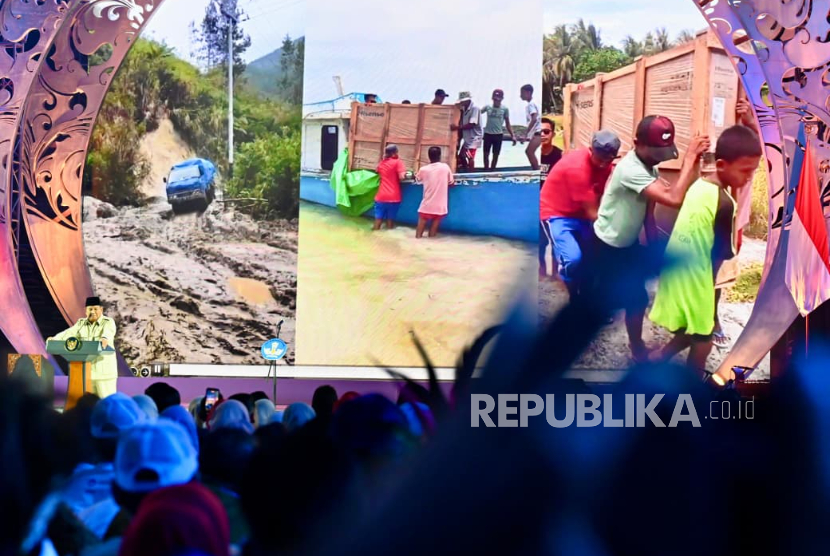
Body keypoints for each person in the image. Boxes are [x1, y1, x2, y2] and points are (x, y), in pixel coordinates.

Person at [589, 116, 709, 362]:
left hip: (627, 244)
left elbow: (648, 212)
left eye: (662, 151)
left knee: (636, 298)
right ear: (636, 143)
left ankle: (636, 345)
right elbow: (674, 198)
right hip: (607, 243)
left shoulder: (648, 166)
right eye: (654, 150)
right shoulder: (629, 169)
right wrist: (688, 159)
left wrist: (654, 247)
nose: (658, 156)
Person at [649, 125, 762, 373]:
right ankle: (692, 388)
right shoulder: (724, 203)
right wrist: (708, 292)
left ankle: (660, 357)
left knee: (693, 328)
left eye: (753, 172)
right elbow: (720, 253)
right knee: (704, 339)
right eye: (745, 171)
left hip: (675, 270)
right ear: (721, 165)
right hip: (697, 278)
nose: (748, 178)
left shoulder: (698, 187)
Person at [540, 130, 620, 300]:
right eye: (599, 160)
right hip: (555, 213)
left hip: (580, 213)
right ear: (591, 150)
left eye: (608, 161)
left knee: (591, 258)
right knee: (574, 259)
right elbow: (593, 214)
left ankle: (586, 298)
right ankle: (572, 293)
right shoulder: (577, 169)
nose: (603, 165)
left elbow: (598, 198)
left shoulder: (606, 164)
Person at [49, 296, 118, 398]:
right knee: (89, 405)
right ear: (85, 311)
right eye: (90, 309)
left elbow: (108, 331)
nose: (93, 312)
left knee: (108, 403)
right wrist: (54, 339)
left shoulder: (108, 322)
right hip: (88, 375)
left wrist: (104, 338)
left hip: (105, 374)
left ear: (101, 310)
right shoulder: (81, 323)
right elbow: (69, 333)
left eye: (95, 309)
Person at [538, 117, 564, 279]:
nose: (542, 134)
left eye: (546, 131)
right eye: (539, 131)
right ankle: (541, 271)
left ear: (552, 134)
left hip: (554, 207)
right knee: (540, 242)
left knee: (555, 241)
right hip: (535, 205)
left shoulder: (560, 156)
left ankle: (554, 273)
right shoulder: (531, 155)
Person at [415, 146, 455, 238]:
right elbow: (451, 183)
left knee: (418, 235)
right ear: (440, 156)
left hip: (426, 205)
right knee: (432, 235)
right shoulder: (445, 167)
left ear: (429, 156)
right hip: (440, 207)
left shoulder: (423, 169)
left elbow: (417, 180)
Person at [373, 144, 407, 230]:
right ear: (395, 153)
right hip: (393, 197)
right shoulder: (398, 162)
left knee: (378, 220)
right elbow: (402, 177)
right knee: (390, 222)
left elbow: (377, 170)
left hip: (381, 197)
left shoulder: (382, 163)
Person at [481, 89, 516, 170]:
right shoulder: (487, 107)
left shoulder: (505, 109)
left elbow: (507, 123)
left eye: (498, 98)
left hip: (498, 135)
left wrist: (512, 135)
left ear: (502, 98)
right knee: (486, 154)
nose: (496, 100)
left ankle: (492, 170)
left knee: (496, 154)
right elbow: (477, 114)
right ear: (492, 98)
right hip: (487, 134)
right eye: (495, 98)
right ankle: (486, 170)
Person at [451, 91, 483, 171]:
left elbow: (472, 124)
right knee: (461, 155)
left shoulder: (475, 108)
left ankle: (471, 172)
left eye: (463, 101)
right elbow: (456, 107)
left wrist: (457, 127)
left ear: (468, 100)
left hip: (474, 137)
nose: (461, 102)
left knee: (470, 157)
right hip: (467, 138)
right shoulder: (464, 109)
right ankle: (466, 169)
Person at [519, 84, 542, 170]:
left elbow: (534, 118)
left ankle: (536, 172)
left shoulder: (531, 104)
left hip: (539, 132)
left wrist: (525, 134)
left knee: (529, 152)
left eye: (522, 93)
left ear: (528, 93)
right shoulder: (535, 103)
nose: (520, 95)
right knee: (530, 152)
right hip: (537, 132)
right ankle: (536, 170)